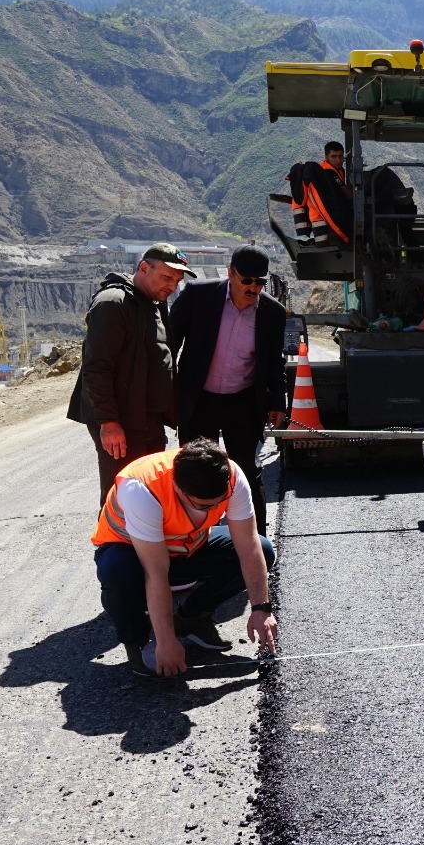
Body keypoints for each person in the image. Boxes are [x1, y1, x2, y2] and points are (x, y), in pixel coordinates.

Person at [93, 438, 278, 677]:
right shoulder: (141, 489)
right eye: (203, 506)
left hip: (187, 547)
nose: (213, 511)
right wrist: (165, 641)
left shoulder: (230, 476)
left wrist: (261, 609)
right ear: (178, 488)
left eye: (219, 503)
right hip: (133, 553)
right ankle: (137, 640)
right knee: (116, 571)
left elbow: (249, 546)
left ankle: (191, 618)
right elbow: (156, 571)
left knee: (264, 549)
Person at [168, 246, 288, 534]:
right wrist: (165, 390)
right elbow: (168, 344)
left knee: (247, 472)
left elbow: (274, 361)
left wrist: (278, 401)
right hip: (200, 401)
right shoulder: (199, 296)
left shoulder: (272, 312)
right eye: (247, 280)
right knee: (195, 472)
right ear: (231, 273)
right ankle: (193, 540)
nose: (253, 288)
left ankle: (257, 545)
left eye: (260, 282)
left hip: (243, 402)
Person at [67, 243, 196, 506]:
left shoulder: (152, 302)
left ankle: (142, 548)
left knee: (149, 495)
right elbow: (97, 367)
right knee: (122, 498)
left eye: (177, 280)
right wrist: (109, 422)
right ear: (144, 268)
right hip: (123, 423)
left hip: (148, 419)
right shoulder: (113, 303)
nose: (172, 287)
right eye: (167, 277)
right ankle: (112, 547)